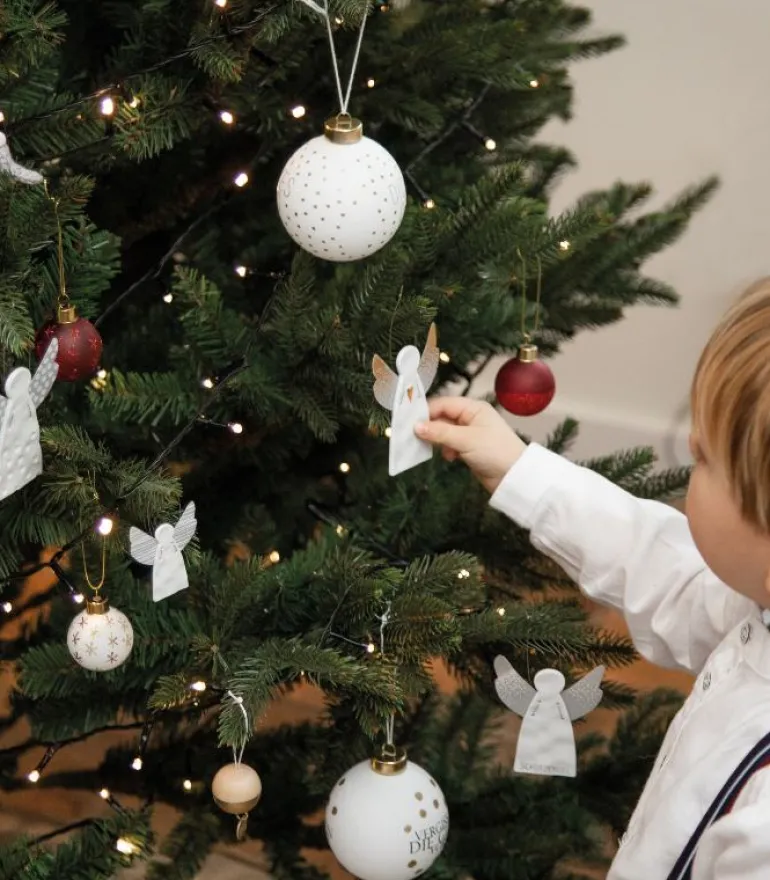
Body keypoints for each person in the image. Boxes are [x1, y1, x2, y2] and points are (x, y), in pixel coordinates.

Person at [414, 280, 770, 879]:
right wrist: (521, 471)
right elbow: (658, 564)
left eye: (705, 460)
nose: (687, 448)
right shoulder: (750, 604)